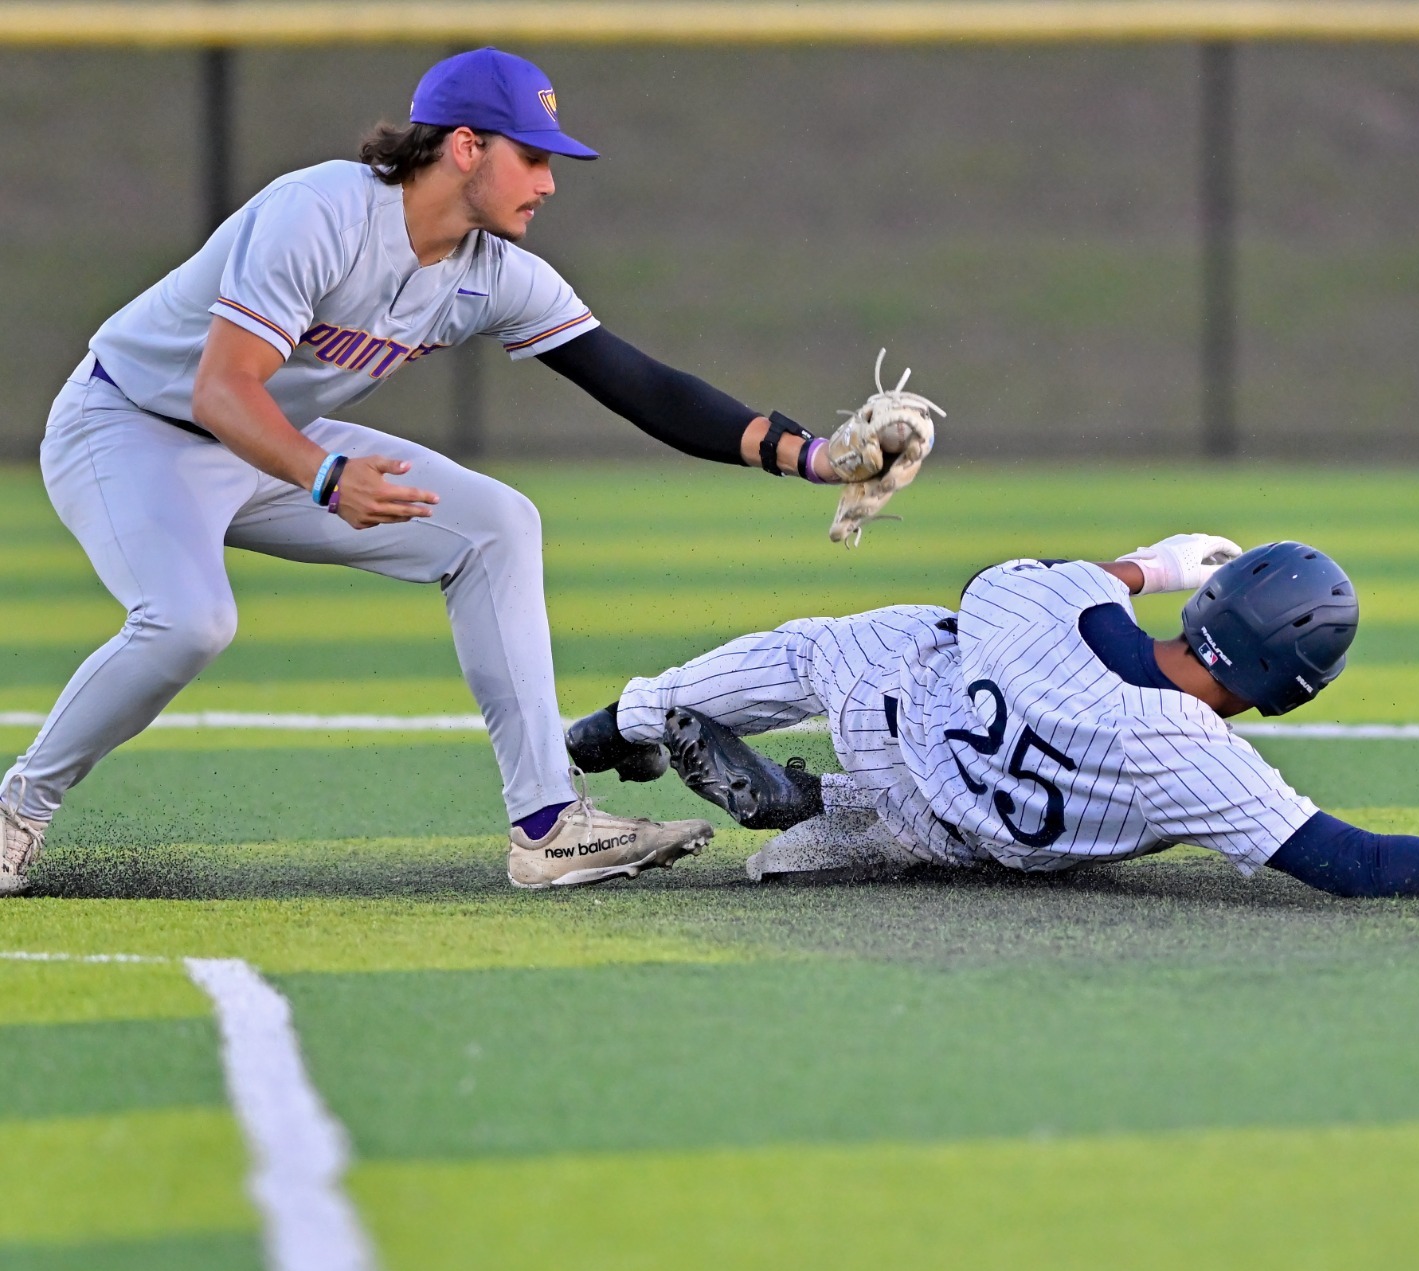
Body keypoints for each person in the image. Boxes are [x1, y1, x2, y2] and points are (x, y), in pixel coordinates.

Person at [0, 48, 935, 896]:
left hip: (274, 439)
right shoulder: (320, 212)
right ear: (462, 147)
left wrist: (813, 455)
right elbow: (218, 390)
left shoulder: (495, 272)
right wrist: (327, 477)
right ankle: (18, 809)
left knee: (498, 525)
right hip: (128, 426)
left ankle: (549, 828)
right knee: (189, 622)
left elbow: (639, 383)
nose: (548, 183)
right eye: (531, 156)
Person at [564, 535, 1419, 897]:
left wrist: (1142, 561)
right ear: (1293, 687)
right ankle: (827, 812)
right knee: (947, 828)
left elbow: (1067, 575)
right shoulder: (1201, 759)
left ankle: (634, 718)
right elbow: (1357, 859)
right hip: (966, 837)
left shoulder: (1050, 598)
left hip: (899, 714)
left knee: (839, 643)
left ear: (1208, 599)